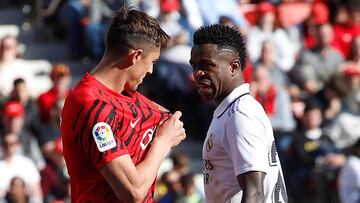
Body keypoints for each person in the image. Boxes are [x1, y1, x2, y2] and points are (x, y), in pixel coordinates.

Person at [60, 6, 186, 203]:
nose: (152, 70)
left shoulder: (130, 97)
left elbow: (170, 123)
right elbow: (133, 192)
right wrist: (163, 142)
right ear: (135, 56)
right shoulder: (92, 105)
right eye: (152, 61)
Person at [189, 23, 288, 202]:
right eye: (194, 66)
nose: (197, 73)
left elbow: (254, 194)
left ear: (234, 67)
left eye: (206, 65)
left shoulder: (240, 113)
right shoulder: (229, 110)